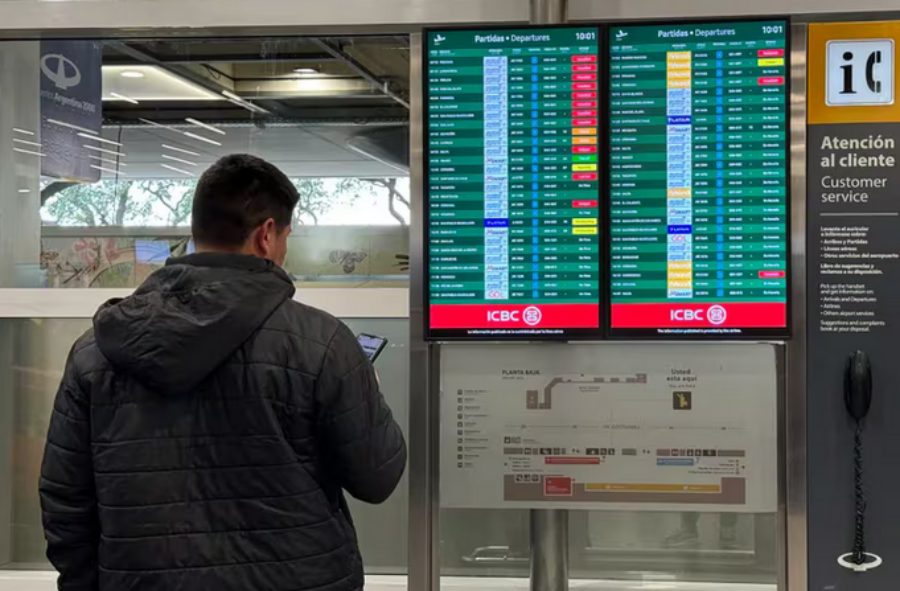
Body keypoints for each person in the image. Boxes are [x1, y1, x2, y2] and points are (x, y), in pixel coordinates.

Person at [39, 154, 407, 591]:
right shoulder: (321, 343)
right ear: (267, 235)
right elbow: (377, 477)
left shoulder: (96, 350)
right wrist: (369, 398)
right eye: (287, 236)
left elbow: (66, 502)